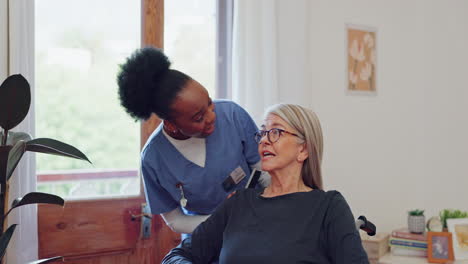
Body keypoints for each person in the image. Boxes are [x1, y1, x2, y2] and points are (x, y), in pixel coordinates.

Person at [162, 103, 369, 264]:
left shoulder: (328, 207)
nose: (264, 140)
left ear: (303, 150)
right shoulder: (239, 203)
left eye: (276, 132)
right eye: (262, 132)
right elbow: (176, 256)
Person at [116, 47, 269, 235]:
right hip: (205, 238)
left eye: (209, 103)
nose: (212, 116)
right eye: (198, 118)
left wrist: (264, 207)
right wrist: (225, 220)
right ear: (171, 125)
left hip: (258, 222)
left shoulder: (232, 115)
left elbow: (264, 168)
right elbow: (175, 220)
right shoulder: (153, 159)